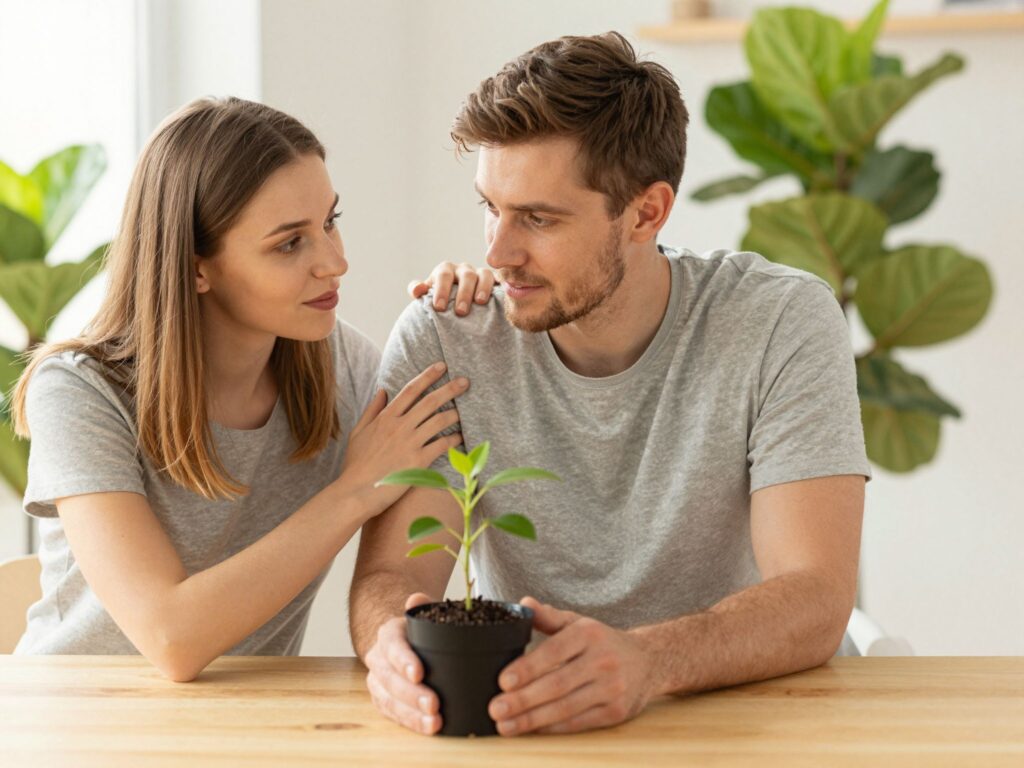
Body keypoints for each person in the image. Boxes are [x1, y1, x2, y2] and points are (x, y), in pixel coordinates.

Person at [352, 32, 871, 737]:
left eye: (538, 218)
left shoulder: (779, 320)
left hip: (745, 722)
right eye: (490, 207)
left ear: (646, 212)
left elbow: (814, 596)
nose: (497, 252)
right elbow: (390, 576)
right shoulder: (446, 335)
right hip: (530, 722)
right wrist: (388, 645)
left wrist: (646, 661)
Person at [8, 97, 493, 680]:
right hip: (77, 718)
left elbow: (453, 395)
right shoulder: (81, 391)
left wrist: (471, 313)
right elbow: (171, 637)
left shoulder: (345, 369)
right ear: (195, 267)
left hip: (245, 719)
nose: (335, 262)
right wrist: (355, 488)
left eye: (330, 223)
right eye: (290, 243)